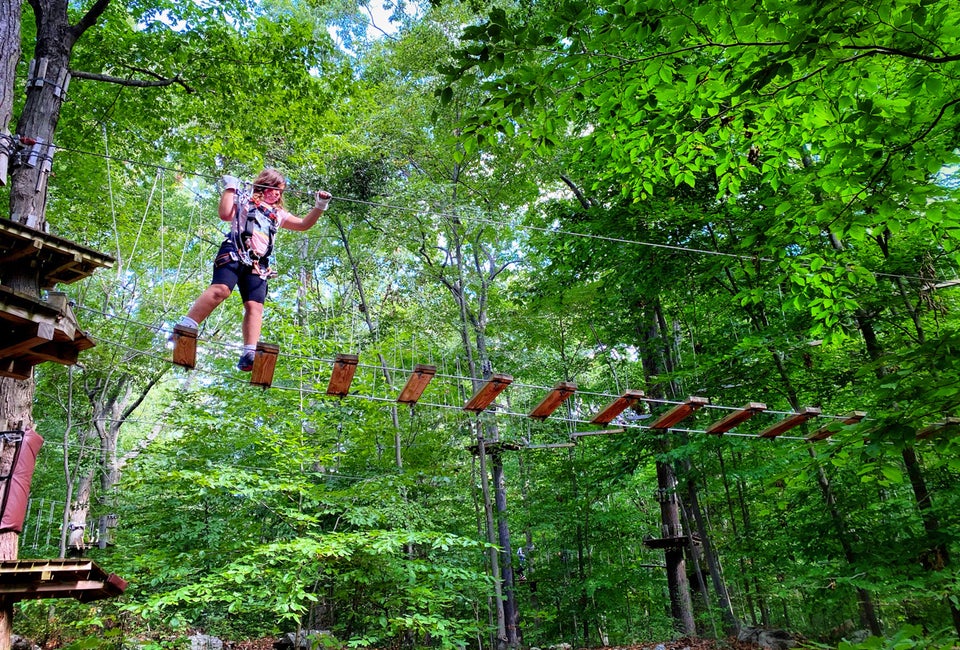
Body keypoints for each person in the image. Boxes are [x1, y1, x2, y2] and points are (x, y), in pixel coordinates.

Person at [176, 168, 332, 371]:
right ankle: (187, 324)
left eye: (280, 191)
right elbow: (225, 214)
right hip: (235, 249)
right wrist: (230, 188)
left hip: (259, 263)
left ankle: (249, 351)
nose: (277, 194)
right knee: (221, 290)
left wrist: (320, 206)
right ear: (263, 186)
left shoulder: (278, 213)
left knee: (255, 306)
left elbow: (303, 225)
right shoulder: (245, 200)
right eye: (275, 188)